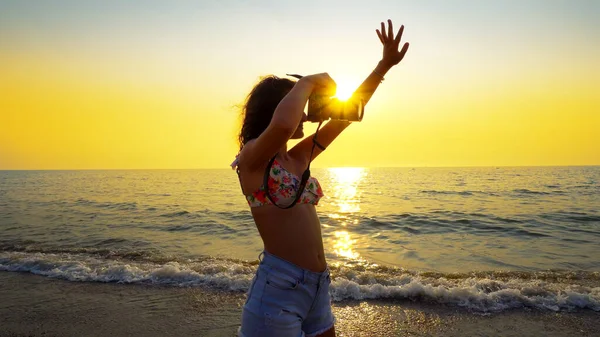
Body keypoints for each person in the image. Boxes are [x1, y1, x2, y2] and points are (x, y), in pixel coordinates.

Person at [232, 19, 410, 337]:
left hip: (317, 290)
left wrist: (383, 66)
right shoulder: (251, 161)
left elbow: (347, 116)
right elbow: (284, 125)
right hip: (277, 295)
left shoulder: (297, 156)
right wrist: (309, 81)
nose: (304, 112)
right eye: (298, 104)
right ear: (276, 109)